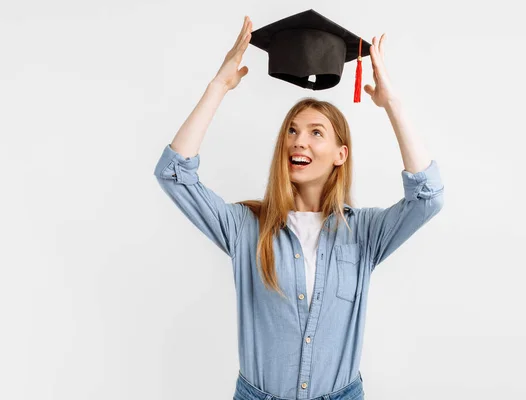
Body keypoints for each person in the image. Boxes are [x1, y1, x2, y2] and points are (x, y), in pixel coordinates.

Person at [153, 15, 444, 400]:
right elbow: (174, 174)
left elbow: (428, 196)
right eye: (291, 130)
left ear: (341, 154)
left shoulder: (364, 233)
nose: (298, 141)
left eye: (315, 132)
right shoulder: (245, 228)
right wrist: (218, 86)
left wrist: (392, 104)